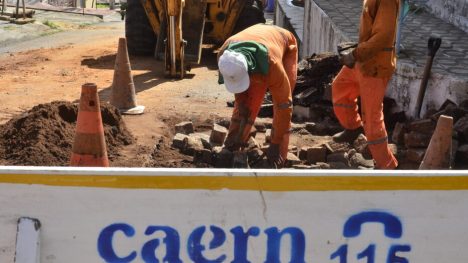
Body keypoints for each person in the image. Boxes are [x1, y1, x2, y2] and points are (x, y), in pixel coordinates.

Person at [217, 24, 298, 167]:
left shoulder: (273, 66)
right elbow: (237, 84)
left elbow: (284, 105)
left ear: (249, 69)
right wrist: (241, 103)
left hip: (284, 42)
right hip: (257, 45)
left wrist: (275, 143)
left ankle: (279, 158)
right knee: (247, 104)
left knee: (282, 105)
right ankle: (234, 144)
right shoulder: (224, 55)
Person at [332, 0, 400, 169]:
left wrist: (355, 54)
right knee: (341, 87)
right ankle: (353, 127)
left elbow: (383, 37)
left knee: (372, 118)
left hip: (375, 66)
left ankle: (387, 165)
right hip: (364, 60)